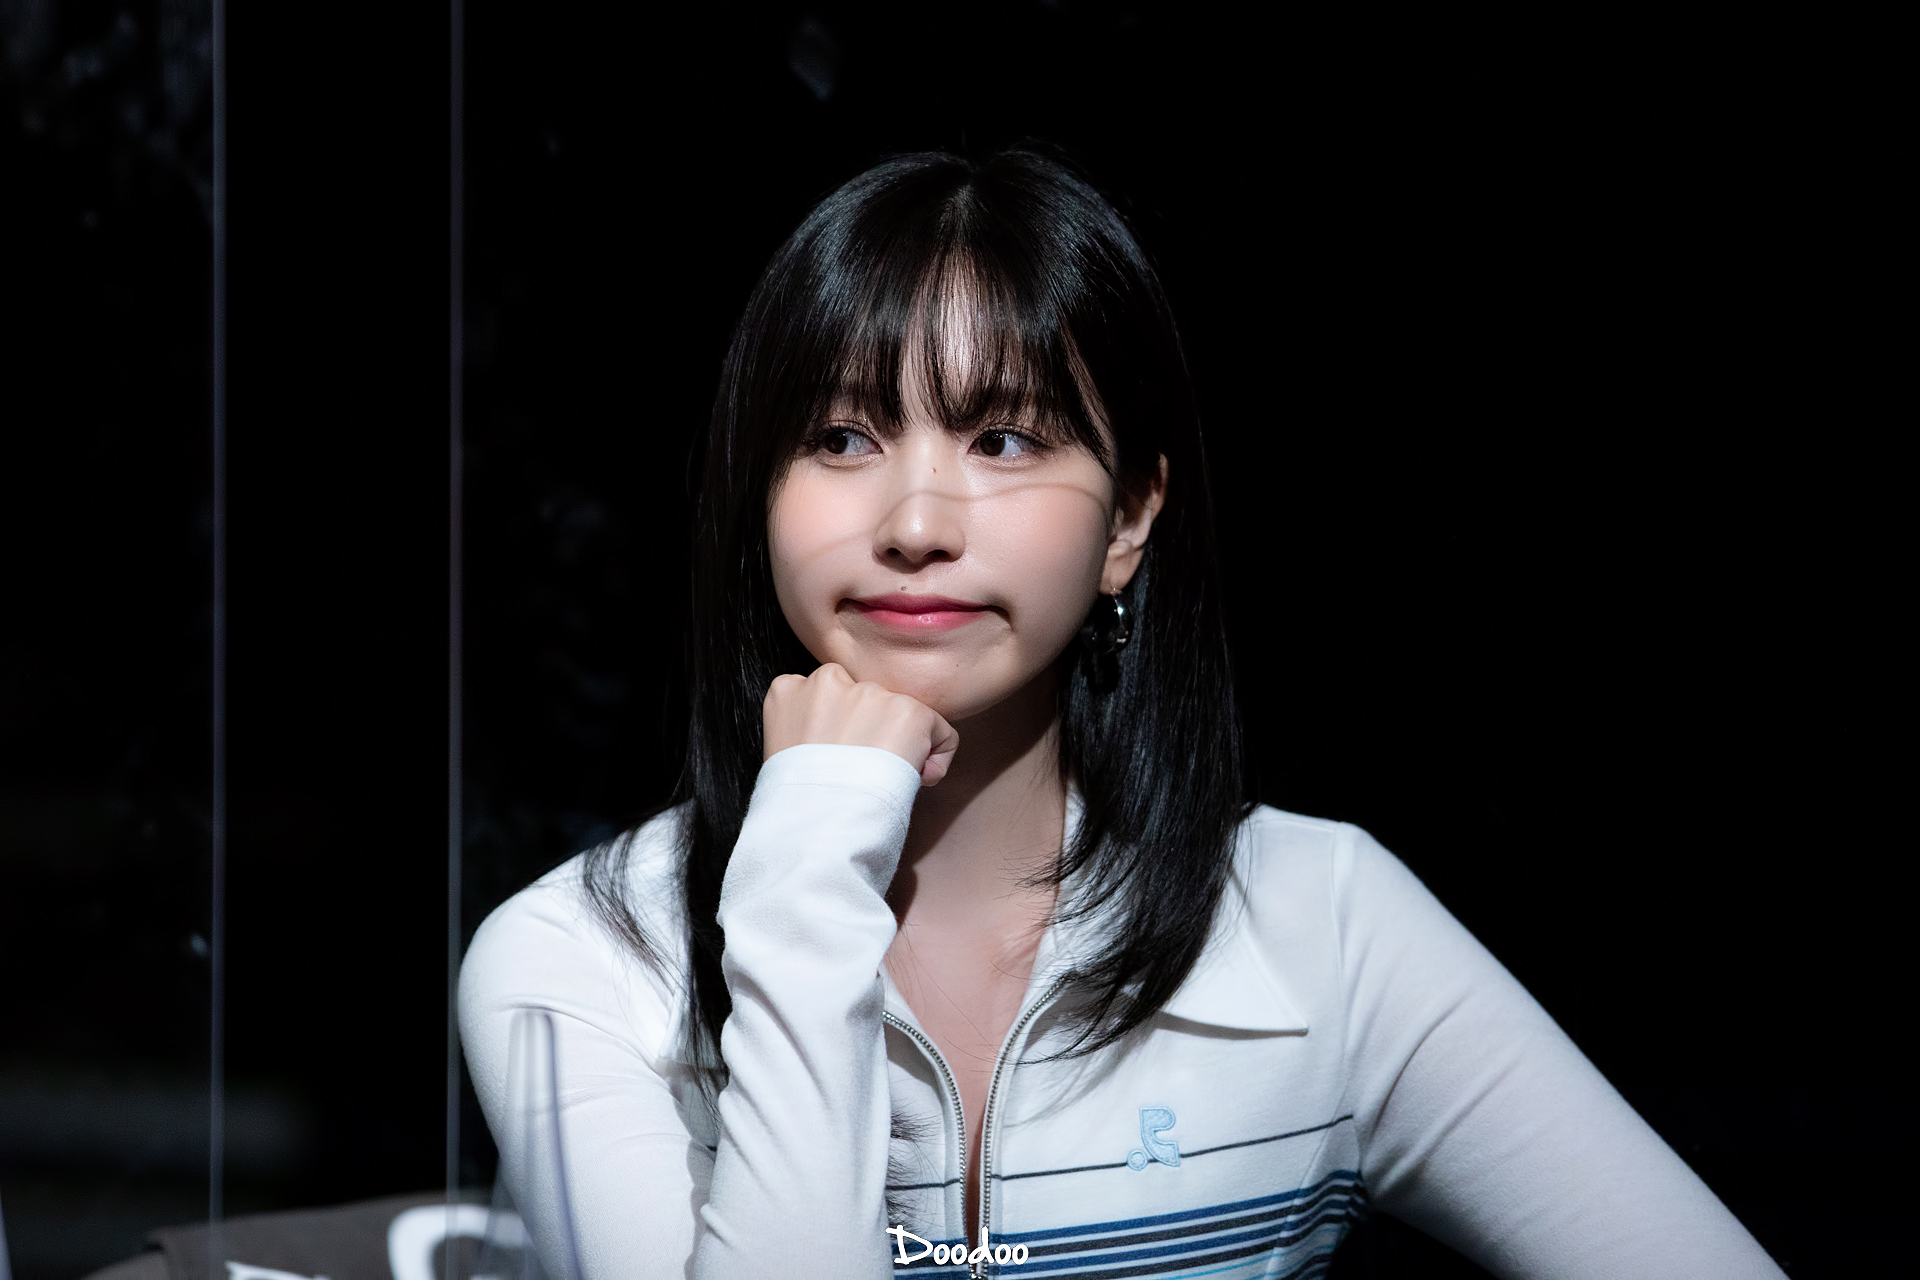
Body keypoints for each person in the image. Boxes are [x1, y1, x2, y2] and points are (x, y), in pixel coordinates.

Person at [458, 150, 1781, 1280]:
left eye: (1004, 440)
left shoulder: (1317, 922)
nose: (914, 524)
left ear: (1131, 521)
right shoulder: (583, 962)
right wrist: (806, 869)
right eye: (843, 438)